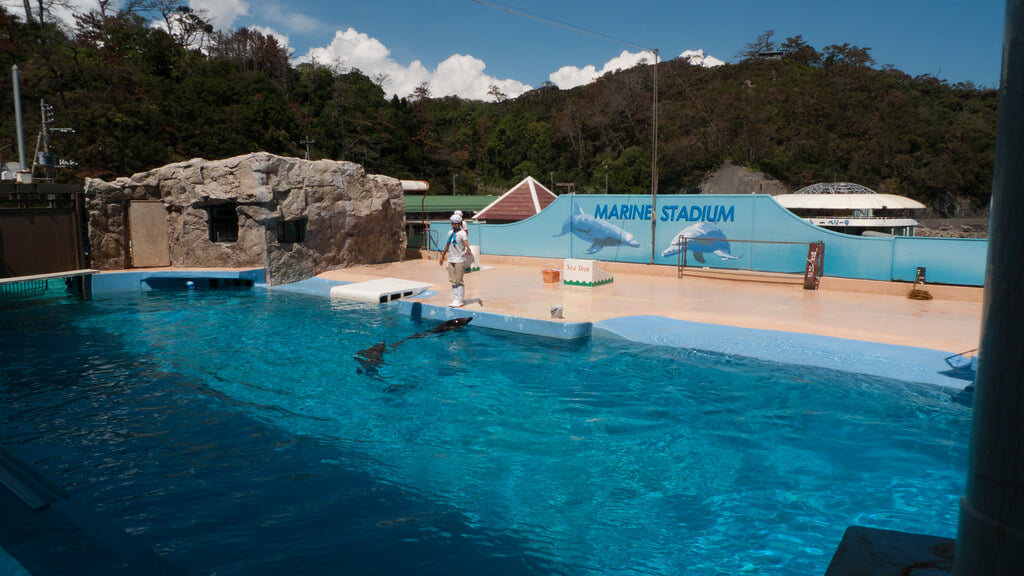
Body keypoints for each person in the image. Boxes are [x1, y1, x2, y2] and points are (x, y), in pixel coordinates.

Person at [439, 213, 470, 307]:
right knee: (452, 280)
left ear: (459, 223)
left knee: (459, 280)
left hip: (459, 259)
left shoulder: (462, 233)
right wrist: (443, 256)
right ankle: (455, 298)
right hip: (451, 259)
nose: (453, 225)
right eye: (452, 223)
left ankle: (460, 299)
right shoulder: (450, 233)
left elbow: (466, 242)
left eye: (455, 223)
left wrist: (468, 249)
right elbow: (447, 244)